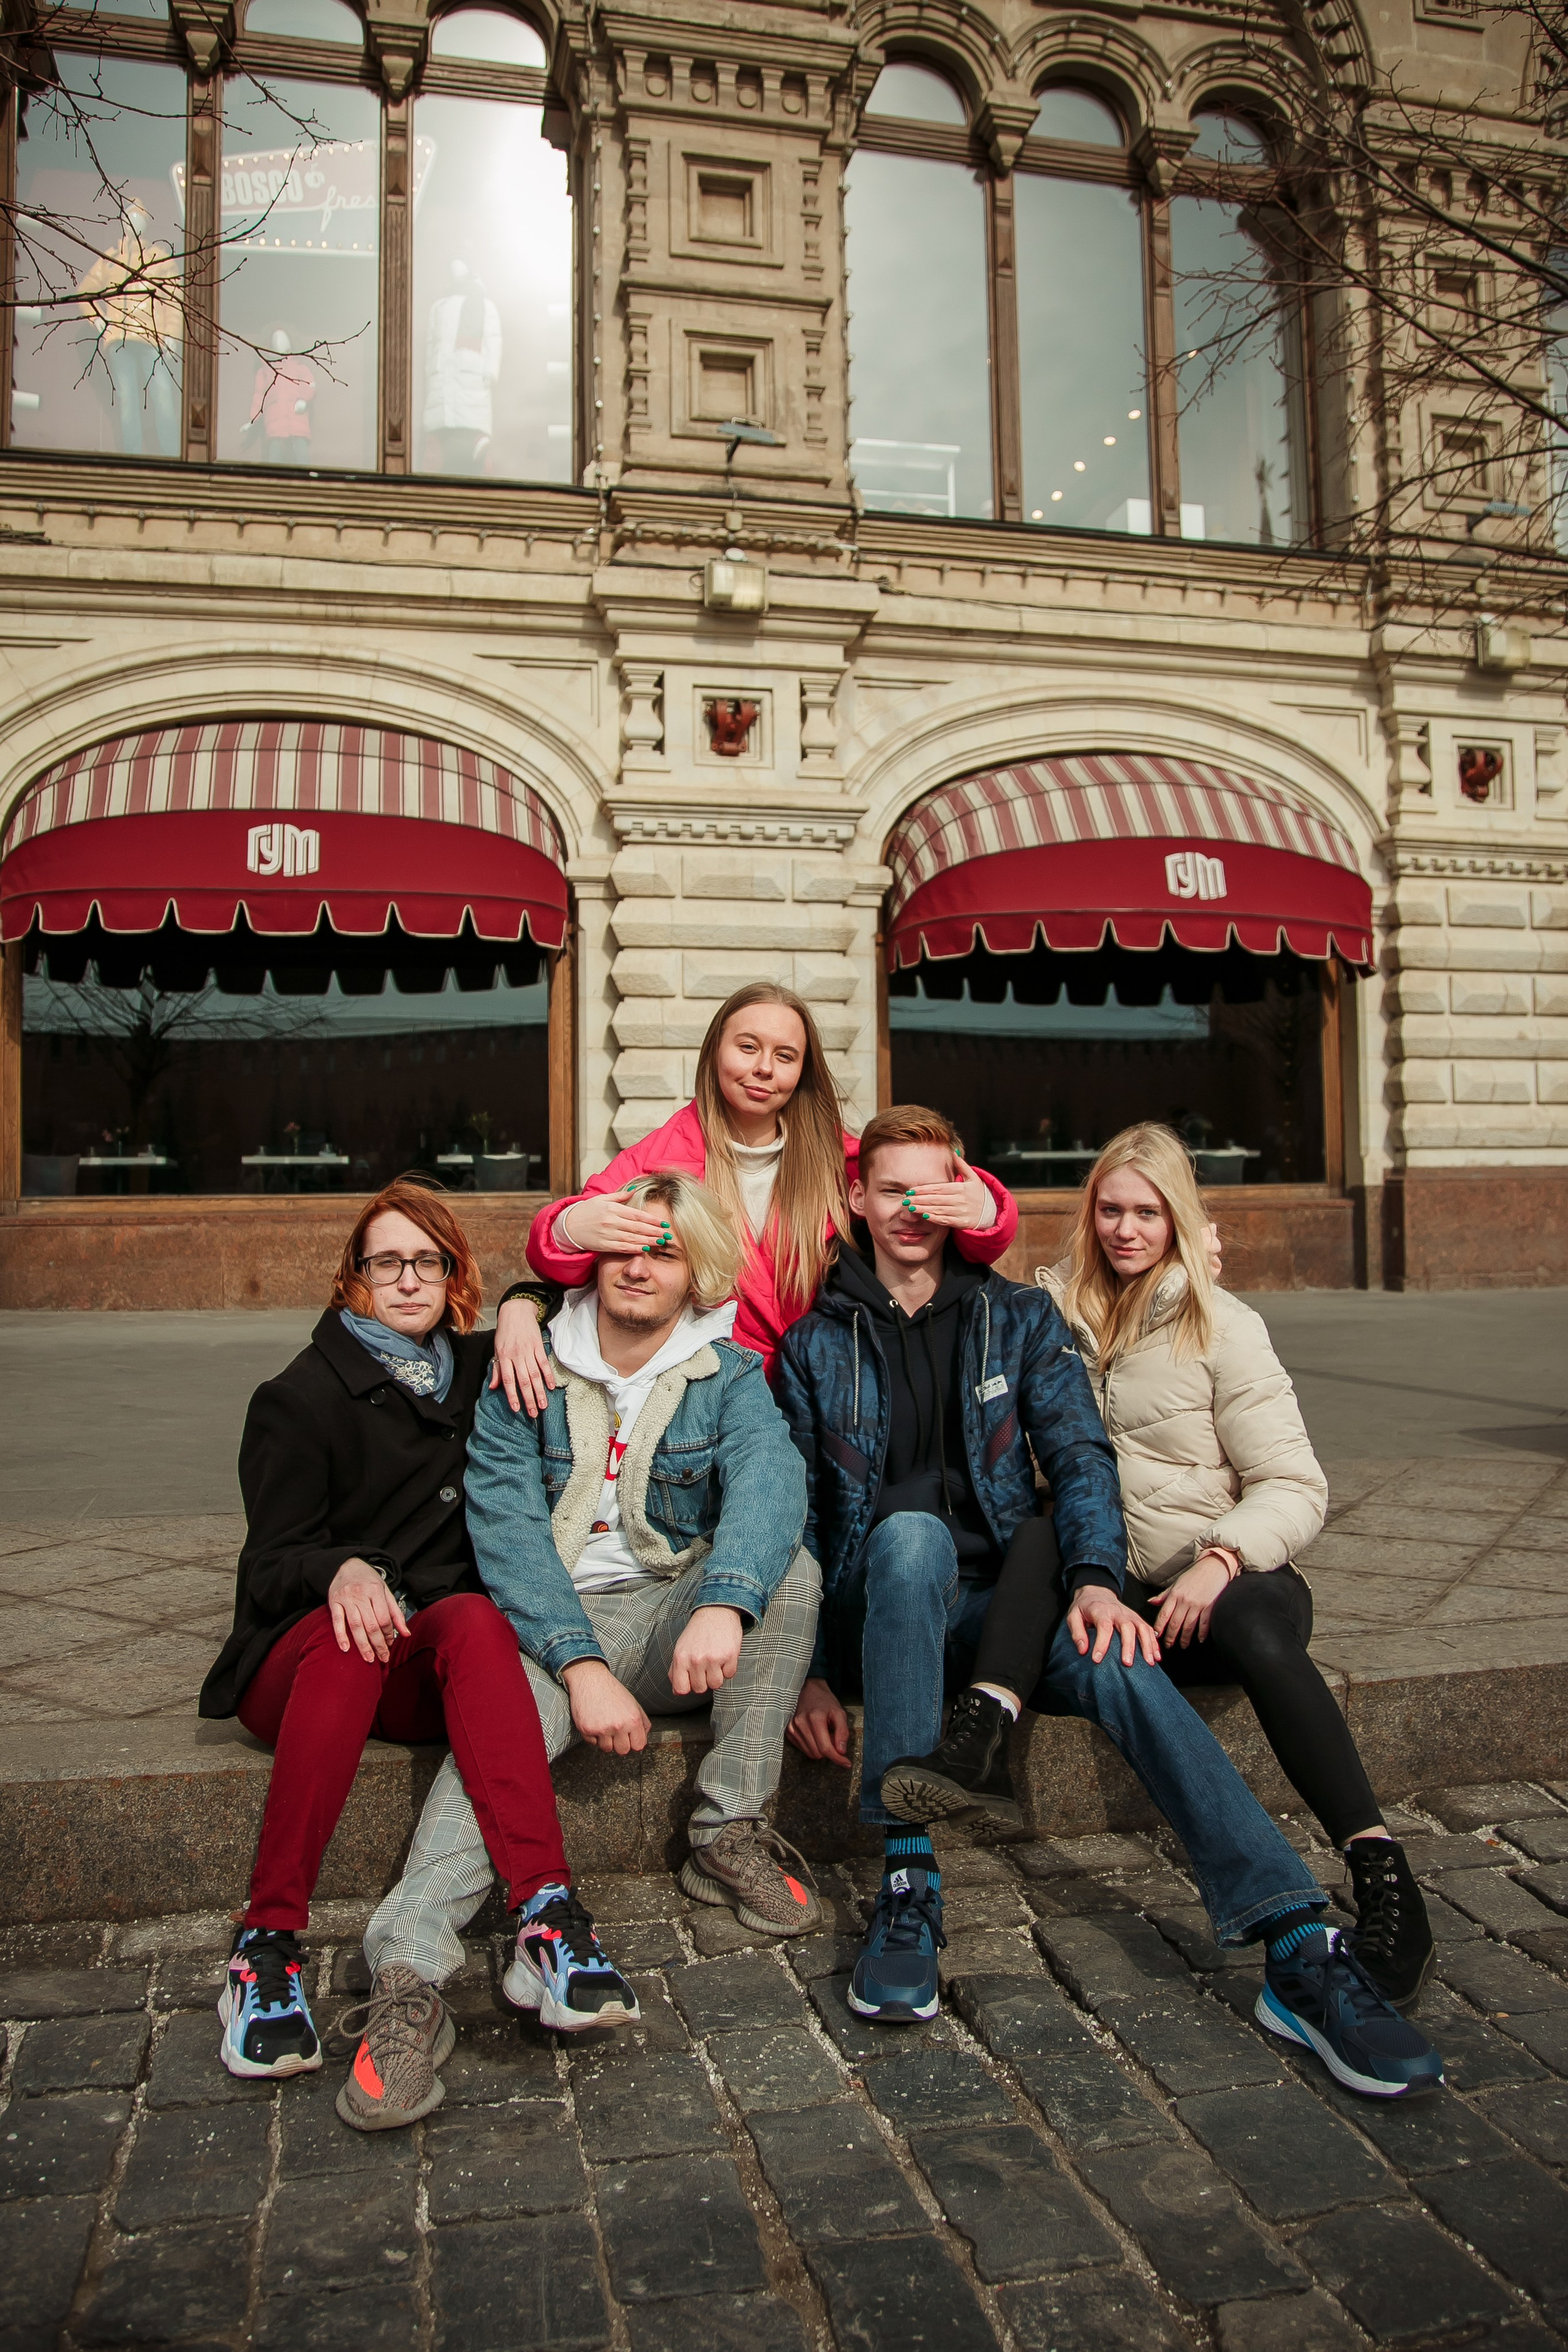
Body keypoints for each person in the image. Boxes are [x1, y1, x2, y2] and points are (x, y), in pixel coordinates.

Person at [777, 1106, 1442, 2100]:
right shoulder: (812, 1345)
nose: (912, 1212)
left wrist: (1093, 1583)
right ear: (855, 1199)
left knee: (1120, 1657)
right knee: (910, 1537)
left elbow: (1081, 1457)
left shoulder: (1020, 1317)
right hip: (885, 1605)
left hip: (1001, 1610)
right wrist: (812, 1670)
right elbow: (795, 1522)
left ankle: (1299, 1942)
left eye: (931, 1190)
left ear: (963, 1194)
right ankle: (908, 1880)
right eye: (892, 1191)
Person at [199, 1180, 637, 2132]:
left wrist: (521, 1309)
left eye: (427, 1261)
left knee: (477, 1618)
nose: (407, 1281)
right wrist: (343, 1569)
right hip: (307, 1661)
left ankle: (548, 1917)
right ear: (353, 1277)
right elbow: (269, 1564)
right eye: (384, 1262)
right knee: (361, 1637)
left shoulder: (479, 1368)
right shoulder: (298, 1397)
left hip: (423, 1662)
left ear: (453, 1275)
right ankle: (264, 1949)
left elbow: (553, 1282)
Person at [361, 1168, 824, 1977]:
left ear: (696, 1276)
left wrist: (723, 1604)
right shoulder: (529, 1364)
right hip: (545, 1628)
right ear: (594, 1257)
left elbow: (771, 1483)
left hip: (669, 1623)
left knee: (790, 1571)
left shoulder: (727, 1373)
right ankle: (408, 1953)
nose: (640, 1268)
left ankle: (726, 1829)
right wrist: (577, 1664)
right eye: (624, 1248)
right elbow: (506, 1529)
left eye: (666, 1255)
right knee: (497, 1745)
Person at [488, 981, 1018, 1406]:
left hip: (830, 1390)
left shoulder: (842, 1158)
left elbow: (954, 1225)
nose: (765, 1067)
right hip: (708, 1395)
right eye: (748, 1047)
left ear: (803, 1070)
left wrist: (985, 1210)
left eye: (785, 1055)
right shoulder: (660, 1157)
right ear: (716, 1050)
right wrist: (567, 1228)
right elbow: (561, 1259)